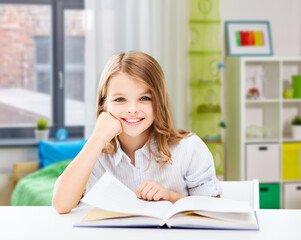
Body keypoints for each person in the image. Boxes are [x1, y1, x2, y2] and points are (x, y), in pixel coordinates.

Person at [52, 51, 222, 214]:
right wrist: (97, 137)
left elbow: (214, 209)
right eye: (120, 99)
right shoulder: (96, 154)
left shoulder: (188, 148)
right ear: (104, 104)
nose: (132, 109)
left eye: (144, 98)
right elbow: (61, 204)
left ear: (159, 101)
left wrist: (170, 197)